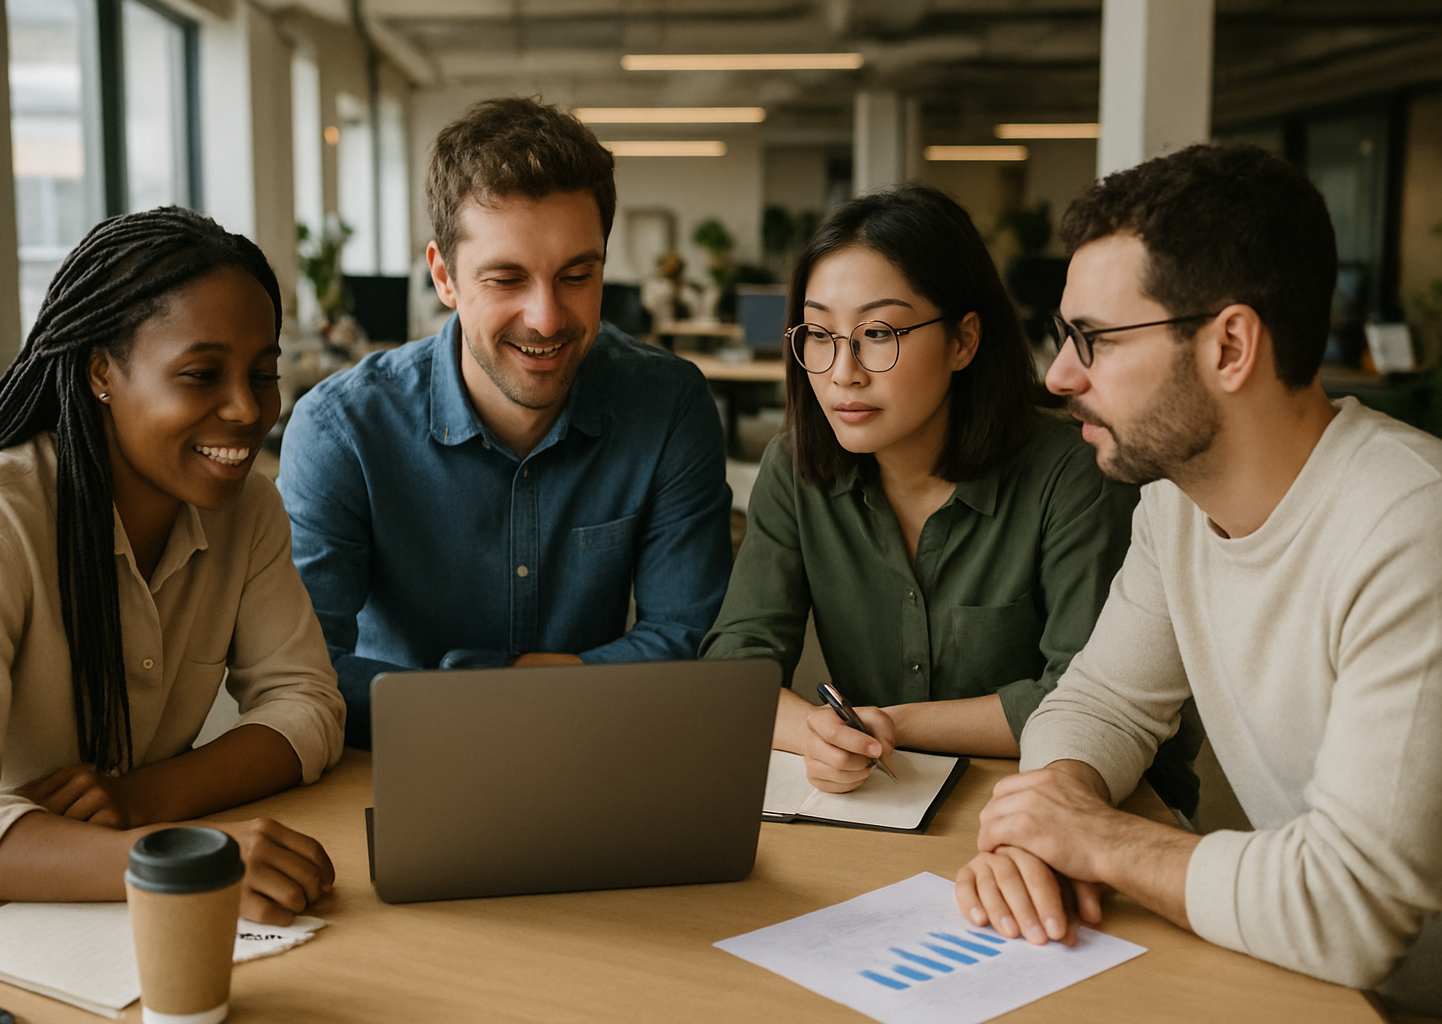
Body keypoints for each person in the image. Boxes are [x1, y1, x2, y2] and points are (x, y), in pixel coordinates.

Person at [954, 143, 1442, 1014]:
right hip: (1303, 981)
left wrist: (1096, 840)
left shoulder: (1412, 528)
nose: (1060, 375)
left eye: (1093, 340)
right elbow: (1100, 701)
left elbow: (1351, 907)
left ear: (1228, 346)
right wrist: (1051, 808)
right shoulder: (1176, 506)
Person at [0, 207, 345, 926]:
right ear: (102, 372)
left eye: (262, 374)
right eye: (202, 374)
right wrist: (174, 863)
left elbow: (307, 706)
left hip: (120, 915)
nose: (247, 409)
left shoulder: (248, 508)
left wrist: (146, 799)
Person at [699, 184, 1200, 812]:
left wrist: (890, 726)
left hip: (1093, 802)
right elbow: (735, 665)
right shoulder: (797, 469)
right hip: (884, 799)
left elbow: (1090, 698)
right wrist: (818, 734)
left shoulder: (1074, 474)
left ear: (964, 340)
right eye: (820, 334)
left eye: (878, 332)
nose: (842, 371)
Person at [278, 97, 732, 750]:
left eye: (578, 275)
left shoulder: (667, 404)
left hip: (599, 750)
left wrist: (496, 680)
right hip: (403, 759)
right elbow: (303, 666)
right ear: (444, 276)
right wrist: (522, 696)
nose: (547, 319)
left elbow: (690, 636)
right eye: (506, 278)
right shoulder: (341, 429)